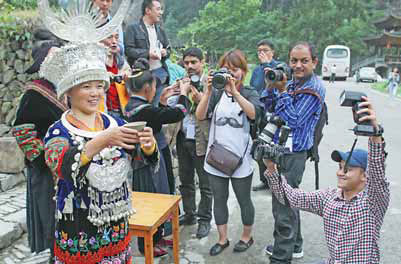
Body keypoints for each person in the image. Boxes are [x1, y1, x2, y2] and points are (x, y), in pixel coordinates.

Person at [264, 97, 388, 264]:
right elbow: (291, 198)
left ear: (365, 176)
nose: (340, 173)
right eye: (340, 167)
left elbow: (377, 173)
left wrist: (375, 133)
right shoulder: (329, 197)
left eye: (348, 169)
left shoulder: (372, 202)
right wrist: (272, 168)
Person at [262, 42, 326, 263]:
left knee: (282, 206)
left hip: (294, 153)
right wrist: (271, 85)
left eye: (304, 61)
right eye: (294, 61)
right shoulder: (292, 83)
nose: (298, 66)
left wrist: (282, 91)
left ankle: (281, 257)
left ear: (314, 62)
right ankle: (294, 245)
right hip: (282, 148)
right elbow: (269, 107)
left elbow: (295, 120)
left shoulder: (314, 88)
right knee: (290, 201)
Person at [196, 49, 262, 256]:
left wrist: (236, 92)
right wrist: (207, 92)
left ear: (244, 70)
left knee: (244, 199)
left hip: (241, 159)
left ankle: (246, 235)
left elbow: (253, 114)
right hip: (216, 157)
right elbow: (199, 116)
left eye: (236, 70)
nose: (232, 75)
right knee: (219, 198)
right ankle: (223, 238)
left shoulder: (249, 91)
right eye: (228, 70)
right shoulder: (216, 92)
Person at [124, 58, 191, 257]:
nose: (155, 90)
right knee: (153, 195)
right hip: (147, 161)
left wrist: (161, 100)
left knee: (159, 192)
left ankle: (157, 235)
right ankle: (148, 245)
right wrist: (184, 94)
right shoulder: (144, 110)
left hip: (147, 157)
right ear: (147, 88)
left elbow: (157, 112)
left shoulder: (132, 105)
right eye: (154, 87)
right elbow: (177, 113)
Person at [12, 39, 66, 262]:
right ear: (44, 64)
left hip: (68, 165)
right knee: (53, 220)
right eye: (55, 58)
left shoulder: (63, 88)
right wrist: (47, 158)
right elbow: (22, 131)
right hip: (47, 170)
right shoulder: (34, 93)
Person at [175, 48, 213, 239]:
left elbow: (215, 112)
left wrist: (201, 100)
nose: (189, 66)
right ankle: (189, 214)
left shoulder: (211, 84)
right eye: (186, 63)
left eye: (193, 62)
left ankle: (204, 219)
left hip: (202, 140)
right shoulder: (181, 83)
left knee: (206, 184)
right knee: (185, 180)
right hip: (182, 139)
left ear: (202, 62)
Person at [124, 0, 170, 106]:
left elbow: (168, 49)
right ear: (148, 10)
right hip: (142, 75)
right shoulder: (133, 28)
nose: (161, 12)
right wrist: (147, 54)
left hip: (160, 74)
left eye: (161, 9)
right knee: (142, 107)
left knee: (158, 107)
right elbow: (129, 50)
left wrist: (165, 52)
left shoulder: (160, 30)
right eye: (158, 9)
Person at [250, 39, 279, 192]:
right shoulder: (256, 70)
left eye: (265, 50)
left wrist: (268, 65)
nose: (262, 53)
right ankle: (265, 179)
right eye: (259, 50)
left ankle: (278, 181)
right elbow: (253, 89)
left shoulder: (278, 67)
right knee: (260, 147)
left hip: (275, 114)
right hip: (260, 113)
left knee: (275, 149)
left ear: (272, 52)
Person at [99, 31, 131, 118]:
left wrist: (128, 78)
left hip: (120, 111)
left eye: (116, 37)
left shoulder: (121, 61)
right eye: (109, 37)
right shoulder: (94, 62)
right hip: (100, 112)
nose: (114, 41)